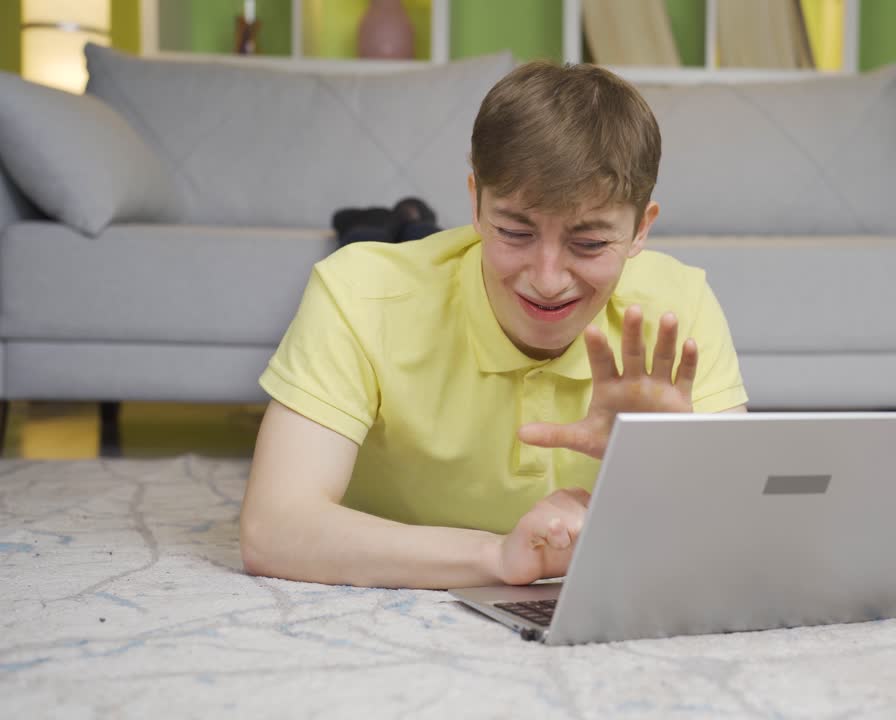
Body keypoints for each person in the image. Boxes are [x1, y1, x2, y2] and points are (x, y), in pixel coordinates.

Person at [239, 61, 748, 591]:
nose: (548, 281)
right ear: (475, 203)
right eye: (514, 231)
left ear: (643, 229)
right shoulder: (358, 292)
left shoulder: (679, 308)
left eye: (589, 243)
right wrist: (495, 558)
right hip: (416, 278)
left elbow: (747, 533)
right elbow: (273, 527)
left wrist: (673, 466)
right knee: (390, 241)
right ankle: (404, 224)